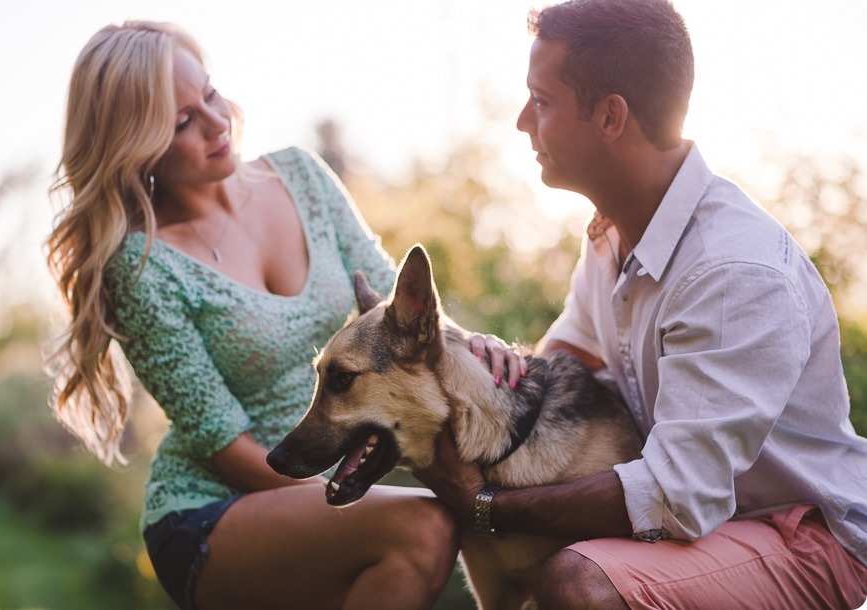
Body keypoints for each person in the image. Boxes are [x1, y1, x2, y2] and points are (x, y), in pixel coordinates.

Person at [417, 0, 867, 608]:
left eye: (541, 101)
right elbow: (564, 359)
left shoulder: (732, 272)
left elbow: (678, 496)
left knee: (578, 579)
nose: (522, 121)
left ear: (610, 117)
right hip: (709, 519)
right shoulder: (610, 233)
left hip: (800, 536)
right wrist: (500, 364)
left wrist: (486, 507)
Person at [43, 21, 464, 610]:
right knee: (424, 527)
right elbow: (224, 445)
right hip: (213, 511)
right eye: (183, 120)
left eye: (210, 94)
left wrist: (476, 353)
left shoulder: (301, 175)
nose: (218, 123)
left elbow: (401, 309)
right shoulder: (141, 268)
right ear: (139, 146)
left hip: (315, 489)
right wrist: (345, 491)